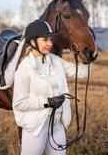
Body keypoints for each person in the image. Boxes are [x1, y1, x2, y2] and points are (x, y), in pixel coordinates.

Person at [12, 19, 88, 155]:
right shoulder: (24, 69)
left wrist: (87, 56)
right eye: (45, 40)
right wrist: (47, 102)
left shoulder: (55, 60)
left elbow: (81, 72)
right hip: (36, 126)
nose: (49, 44)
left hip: (56, 124)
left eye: (51, 40)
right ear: (33, 41)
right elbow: (18, 103)